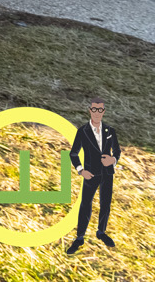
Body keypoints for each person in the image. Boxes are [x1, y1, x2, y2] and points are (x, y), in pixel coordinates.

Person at [66, 98, 120, 254]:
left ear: (103, 111)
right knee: (85, 205)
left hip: (107, 173)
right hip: (90, 174)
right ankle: (79, 237)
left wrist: (113, 160)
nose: (97, 113)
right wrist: (81, 170)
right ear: (90, 110)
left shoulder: (110, 131)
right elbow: (73, 153)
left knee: (105, 203)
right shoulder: (82, 131)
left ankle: (101, 232)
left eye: (100, 110)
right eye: (94, 109)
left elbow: (117, 151)